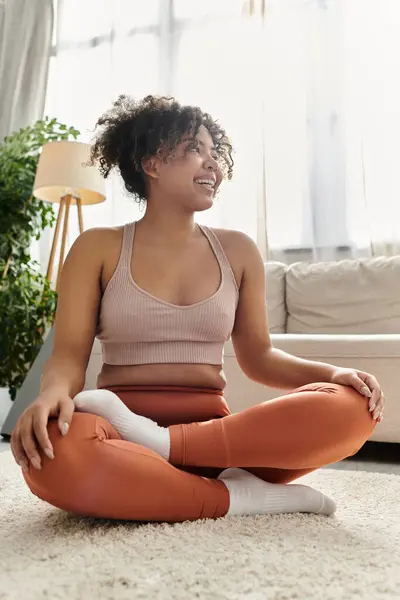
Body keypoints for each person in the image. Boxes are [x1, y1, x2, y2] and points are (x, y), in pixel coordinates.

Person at [11, 95, 384, 522]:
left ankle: (171, 458)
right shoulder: (97, 247)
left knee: (354, 407)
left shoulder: (238, 250)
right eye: (195, 150)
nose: (213, 166)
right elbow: (67, 356)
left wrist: (334, 375)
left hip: (220, 441)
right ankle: (239, 499)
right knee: (51, 456)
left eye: (214, 154)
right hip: (120, 431)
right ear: (151, 164)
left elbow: (259, 358)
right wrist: (52, 395)